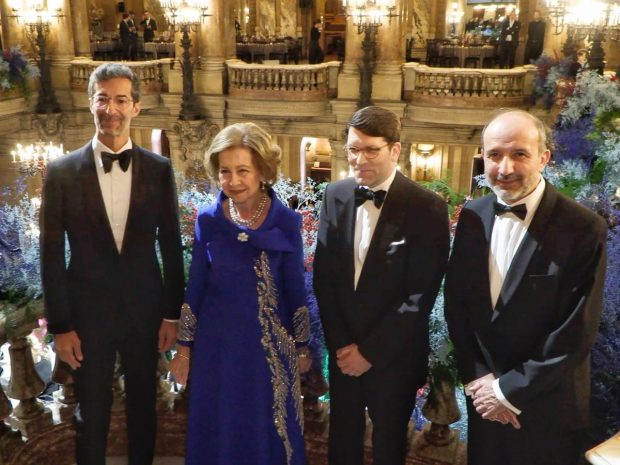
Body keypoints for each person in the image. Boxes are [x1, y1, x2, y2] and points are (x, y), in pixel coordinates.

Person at [40, 62, 185, 465]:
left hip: (145, 313)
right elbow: (50, 255)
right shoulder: (61, 172)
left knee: (145, 409)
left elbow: (171, 247)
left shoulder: (159, 170)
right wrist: (61, 326)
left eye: (121, 99)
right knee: (91, 413)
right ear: (90, 104)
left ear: (136, 107)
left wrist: (172, 316)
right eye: (103, 99)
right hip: (87, 318)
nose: (111, 109)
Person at [445, 110, 608, 465]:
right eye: (494, 155)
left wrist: (507, 391)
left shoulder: (583, 228)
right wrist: (480, 381)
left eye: (519, 154)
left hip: (546, 408)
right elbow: (457, 306)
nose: (504, 168)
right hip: (484, 403)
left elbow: (576, 331)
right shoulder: (473, 215)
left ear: (544, 158)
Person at [168, 122, 312, 465]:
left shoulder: (287, 222)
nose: (232, 181)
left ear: (262, 170)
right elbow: (196, 287)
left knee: (265, 430)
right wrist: (185, 350)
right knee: (220, 427)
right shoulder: (208, 220)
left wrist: (304, 347)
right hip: (216, 348)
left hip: (268, 353)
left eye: (242, 171)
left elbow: (295, 290)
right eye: (225, 171)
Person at [313, 106, 450, 465]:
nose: (359, 159)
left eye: (370, 150)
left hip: (395, 359)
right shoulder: (335, 195)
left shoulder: (427, 207)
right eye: (353, 149)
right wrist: (343, 346)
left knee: (390, 447)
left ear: (395, 150)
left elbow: (419, 296)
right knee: (342, 442)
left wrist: (369, 353)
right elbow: (324, 278)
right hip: (344, 354)